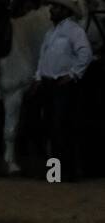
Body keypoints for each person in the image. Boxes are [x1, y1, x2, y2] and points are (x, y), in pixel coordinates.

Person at [32, 0, 91, 180]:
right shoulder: (51, 33)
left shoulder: (74, 31)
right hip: (50, 84)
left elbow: (85, 53)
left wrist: (73, 74)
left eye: (56, 7)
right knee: (51, 128)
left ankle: (65, 172)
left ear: (65, 11)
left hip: (62, 85)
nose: (51, 9)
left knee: (61, 128)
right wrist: (38, 77)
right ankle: (55, 173)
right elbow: (43, 58)